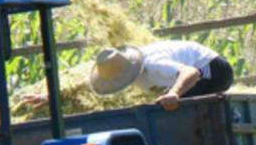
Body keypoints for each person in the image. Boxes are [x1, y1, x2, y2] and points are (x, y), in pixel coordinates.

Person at [89, 40, 234, 110]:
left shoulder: (153, 64)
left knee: (182, 110)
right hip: (193, 75)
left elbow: (191, 72)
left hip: (213, 70)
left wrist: (174, 93)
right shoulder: (137, 76)